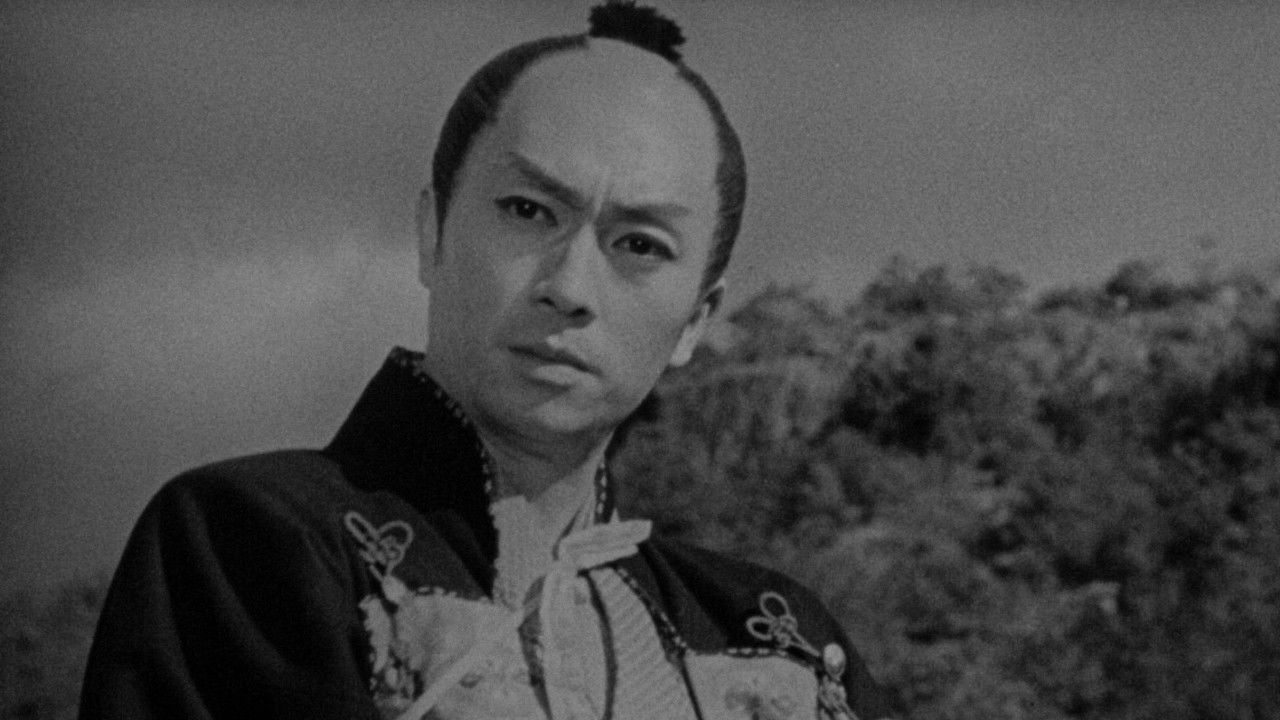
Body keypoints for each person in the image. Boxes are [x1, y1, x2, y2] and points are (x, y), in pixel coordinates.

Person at [79, 3, 899, 719]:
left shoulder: (779, 645)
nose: (570, 287)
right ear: (432, 232)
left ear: (695, 319)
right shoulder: (258, 542)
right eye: (528, 210)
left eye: (641, 245)